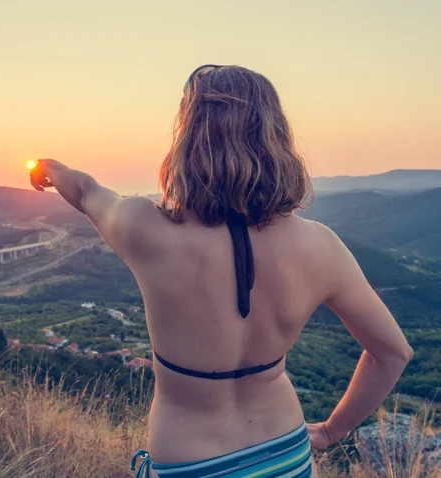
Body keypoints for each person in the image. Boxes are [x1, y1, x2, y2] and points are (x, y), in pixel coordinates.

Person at [29, 64, 413, 478]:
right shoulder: (321, 246)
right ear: (276, 136)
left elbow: (86, 192)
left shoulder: (145, 227)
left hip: (191, 461)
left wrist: (49, 168)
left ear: (189, 137)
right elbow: (393, 353)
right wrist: (330, 431)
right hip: (287, 454)